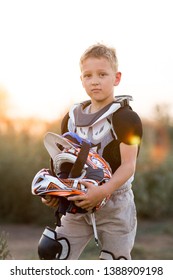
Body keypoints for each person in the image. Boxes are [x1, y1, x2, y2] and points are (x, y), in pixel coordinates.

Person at [41, 43, 143, 260]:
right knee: (53, 253)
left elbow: (128, 165)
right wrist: (55, 192)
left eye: (102, 74)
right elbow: (63, 164)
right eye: (88, 75)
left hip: (115, 204)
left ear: (116, 78)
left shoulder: (126, 118)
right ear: (81, 79)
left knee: (114, 264)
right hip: (77, 201)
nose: (94, 80)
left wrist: (103, 191)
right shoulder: (71, 119)